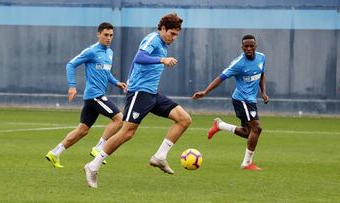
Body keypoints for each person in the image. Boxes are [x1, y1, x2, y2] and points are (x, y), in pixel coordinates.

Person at [84, 13, 192, 188]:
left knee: (184, 119)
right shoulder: (153, 39)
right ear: (163, 29)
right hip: (139, 93)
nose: (174, 38)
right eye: (172, 33)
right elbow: (139, 58)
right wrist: (162, 59)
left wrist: (161, 58)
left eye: (176, 35)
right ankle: (93, 166)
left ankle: (160, 157)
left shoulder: (163, 44)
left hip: (152, 94)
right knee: (126, 133)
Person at [45, 22, 127, 168]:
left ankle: (55, 153)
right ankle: (99, 148)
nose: (109, 38)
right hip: (94, 95)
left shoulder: (109, 53)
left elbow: (105, 72)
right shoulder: (91, 51)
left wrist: (116, 83)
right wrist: (72, 86)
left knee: (82, 130)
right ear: (99, 34)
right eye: (106, 35)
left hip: (96, 96)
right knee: (119, 119)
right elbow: (70, 64)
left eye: (111, 35)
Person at [192, 34, 269, 171]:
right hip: (241, 100)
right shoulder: (238, 64)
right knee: (257, 128)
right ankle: (246, 163)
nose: (249, 48)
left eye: (252, 46)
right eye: (246, 46)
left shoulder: (262, 57)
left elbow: (261, 74)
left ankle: (220, 125)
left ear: (255, 46)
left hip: (251, 100)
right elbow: (220, 78)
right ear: (242, 47)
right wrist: (205, 92)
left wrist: (263, 92)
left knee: (248, 133)